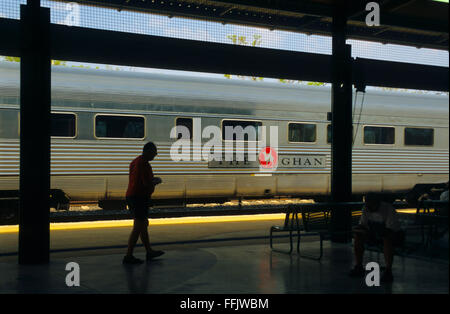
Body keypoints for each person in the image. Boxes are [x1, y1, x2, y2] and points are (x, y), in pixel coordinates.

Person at [123, 142, 165, 264]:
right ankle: (128, 256)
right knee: (138, 227)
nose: (155, 155)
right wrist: (156, 181)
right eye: (154, 152)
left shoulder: (135, 161)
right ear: (148, 151)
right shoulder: (144, 164)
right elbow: (146, 183)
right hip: (139, 197)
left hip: (133, 196)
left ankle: (149, 251)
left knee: (143, 224)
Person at [349, 193, 404, 283]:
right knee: (358, 237)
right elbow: (363, 224)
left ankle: (388, 270)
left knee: (387, 239)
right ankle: (358, 266)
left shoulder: (388, 209)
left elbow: (391, 229)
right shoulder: (366, 209)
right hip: (375, 234)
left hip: (393, 235)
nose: (368, 205)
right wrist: (359, 230)